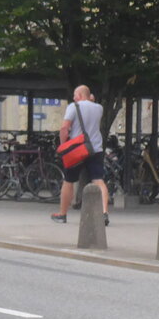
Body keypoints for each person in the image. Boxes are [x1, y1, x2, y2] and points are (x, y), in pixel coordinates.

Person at [51, 84, 108, 226]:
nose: (73, 98)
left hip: (77, 150)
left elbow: (64, 128)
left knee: (69, 181)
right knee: (98, 180)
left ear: (80, 95)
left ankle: (62, 214)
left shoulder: (73, 107)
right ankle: (104, 212)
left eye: (75, 95)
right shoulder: (99, 108)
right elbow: (90, 103)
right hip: (95, 149)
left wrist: (63, 146)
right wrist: (90, 98)